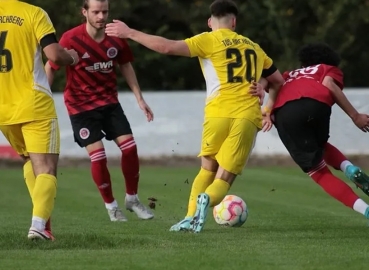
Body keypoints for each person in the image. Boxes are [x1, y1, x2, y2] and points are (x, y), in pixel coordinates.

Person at [105, 0, 285, 233]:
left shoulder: (208, 39)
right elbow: (278, 81)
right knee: (225, 177)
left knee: (206, 170)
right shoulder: (255, 47)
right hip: (247, 116)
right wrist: (266, 106)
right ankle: (206, 200)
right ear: (234, 22)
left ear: (210, 22)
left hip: (217, 114)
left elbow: (167, 47)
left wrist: (130, 32)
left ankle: (190, 217)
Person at [44, 0, 154, 222]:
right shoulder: (70, 38)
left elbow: (126, 66)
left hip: (109, 103)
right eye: (96, 12)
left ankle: (132, 199)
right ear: (84, 12)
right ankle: (111, 206)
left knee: (130, 149)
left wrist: (139, 99)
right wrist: (43, 99)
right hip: (80, 107)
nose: (101, 16)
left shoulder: (116, 36)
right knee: (99, 157)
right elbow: (51, 66)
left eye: (105, 11)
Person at [0, 0, 79, 240]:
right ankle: (37, 226)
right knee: (46, 168)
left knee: (29, 161)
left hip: (4, 108)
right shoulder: (34, 13)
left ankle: (43, 225)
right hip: (33, 102)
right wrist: (72, 57)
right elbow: (53, 53)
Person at [263, 43, 369, 219]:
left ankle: (365, 210)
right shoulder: (328, 68)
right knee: (320, 145)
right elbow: (329, 84)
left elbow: (269, 81)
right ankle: (349, 168)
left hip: (286, 113)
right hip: (317, 104)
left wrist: (266, 111)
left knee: (319, 173)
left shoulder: (289, 74)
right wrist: (355, 116)